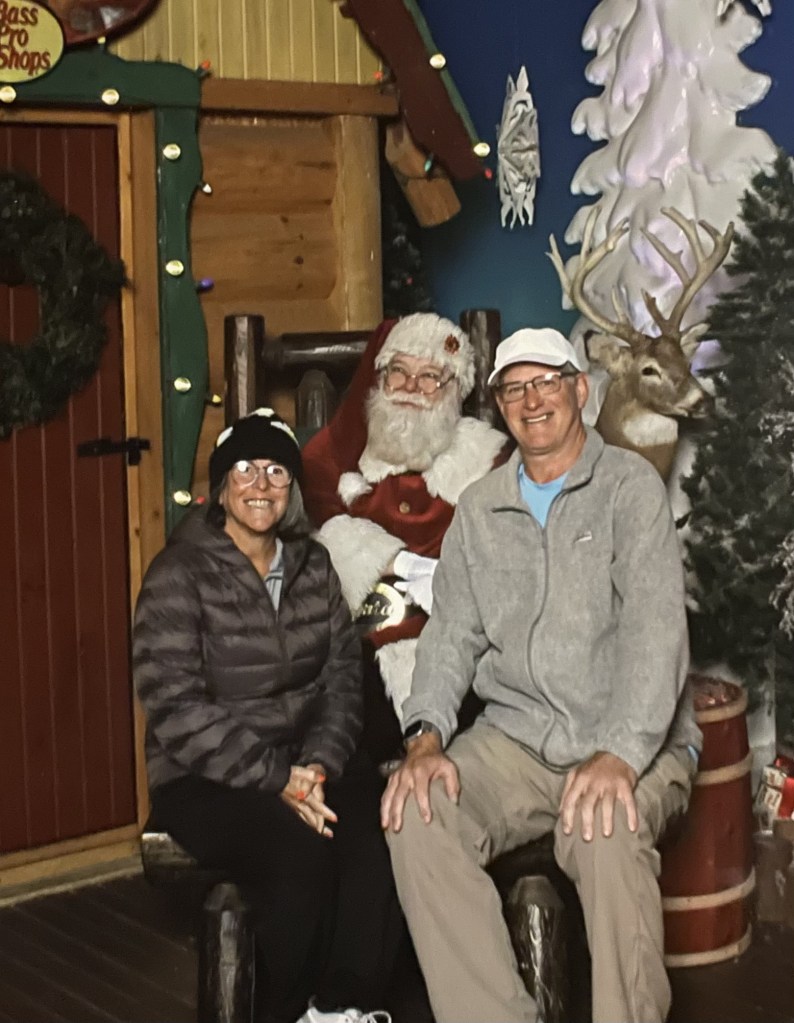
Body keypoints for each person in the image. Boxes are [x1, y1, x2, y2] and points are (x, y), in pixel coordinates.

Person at [381, 328, 702, 1023]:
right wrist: (425, 736)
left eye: (548, 381)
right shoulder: (480, 508)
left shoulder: (630, 489)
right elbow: (450, 634)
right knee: (418, 809)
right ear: (500, 405)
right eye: (514, 388)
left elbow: (657, 634)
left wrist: (619, 754)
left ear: (580, 389)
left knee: (604, 828)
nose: (533, 400)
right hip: (518, 740)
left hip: (632, 736)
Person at [133, 408, 396, 1023]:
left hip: (306, 763)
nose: (260, 484)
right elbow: (175, 706)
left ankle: (343, 1008)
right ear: (222, 484)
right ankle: (284, 1010)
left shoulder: (313, 567)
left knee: (375, 832)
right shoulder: (178, 574)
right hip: (205, 777)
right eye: (245, 469)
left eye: (276, 471)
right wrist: (276, 778)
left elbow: (342, 679)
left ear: (292, 489)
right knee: (298, 853)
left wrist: (317, 765)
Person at [302, 312, 509, 761]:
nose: (412, 387)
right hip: (357, 652)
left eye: (430, 377)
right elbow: (319, 523)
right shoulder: (346, 452)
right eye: (399, 372)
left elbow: (505, 558)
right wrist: (404, 564)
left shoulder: (488, 459)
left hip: (455, 654)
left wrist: (452, 583)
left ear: (454, 389)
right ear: (380, 378)